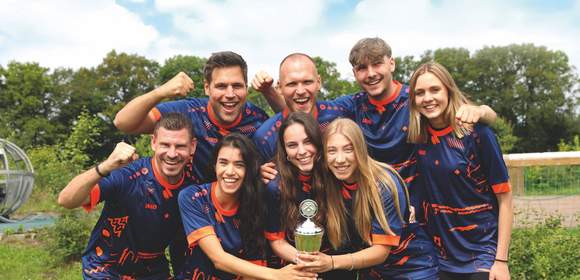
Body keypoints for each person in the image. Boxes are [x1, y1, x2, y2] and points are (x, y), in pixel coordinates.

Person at [58, 112, 197, 279]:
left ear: (192, 147)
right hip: (105, 269)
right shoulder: (128, 175)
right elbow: (66, 200)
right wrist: (105, 167)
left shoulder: (193, 187)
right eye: (165, 145)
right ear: (153, 142)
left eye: (180, 146)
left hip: (153, 271)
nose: (172, 154)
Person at [407, 62, 513, 280]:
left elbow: (506, 199)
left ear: (448, 90)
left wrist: (501, 261)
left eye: (435, 90)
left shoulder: (478, 134)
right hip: (439, 257)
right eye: (420, 93)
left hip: (482, 254)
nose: (427, 98)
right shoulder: (418, 138)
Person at [296, 118, 439, 279]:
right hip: (373, 273)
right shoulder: (329, 181)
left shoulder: (384, 184)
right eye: (332, 151)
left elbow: (380, 251)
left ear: (361, 150)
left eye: (348, 149)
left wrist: (331, 262)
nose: (340, 159)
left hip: (412, 270)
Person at [115, 51, 281, 184]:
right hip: (187, 203)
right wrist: (162, 91)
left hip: (239, 206)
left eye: (237, 86)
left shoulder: (258, 118)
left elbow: (297, 125)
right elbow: (123, 122)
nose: (230, 94)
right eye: (221, 86)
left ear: (246, 87)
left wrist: (270, 92)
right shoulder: (187, 111)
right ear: (207, 88)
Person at [177, 133, 317, 280]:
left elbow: (255, 265)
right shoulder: (194, 197)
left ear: (249, 170)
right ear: (215, 166)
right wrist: (278, 275)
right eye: (223, 163)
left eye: (239, 165)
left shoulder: (256, 202)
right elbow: (218, 259)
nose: (230, 172)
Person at [263, 112, 354, 279]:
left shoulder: (335, 170)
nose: (302, 151)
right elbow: (276, 241)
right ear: (284, 150)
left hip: (337, 265)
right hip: (295, 268)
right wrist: (308, 263)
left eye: (308, 142)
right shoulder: (274, 185)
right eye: (292, 145)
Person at [252, 53, 351, 162]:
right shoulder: (265, 137)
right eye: (292, 84)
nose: (300, 91)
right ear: (279, 87)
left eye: (307, 82)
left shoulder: (341, 113)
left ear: (318, 82)